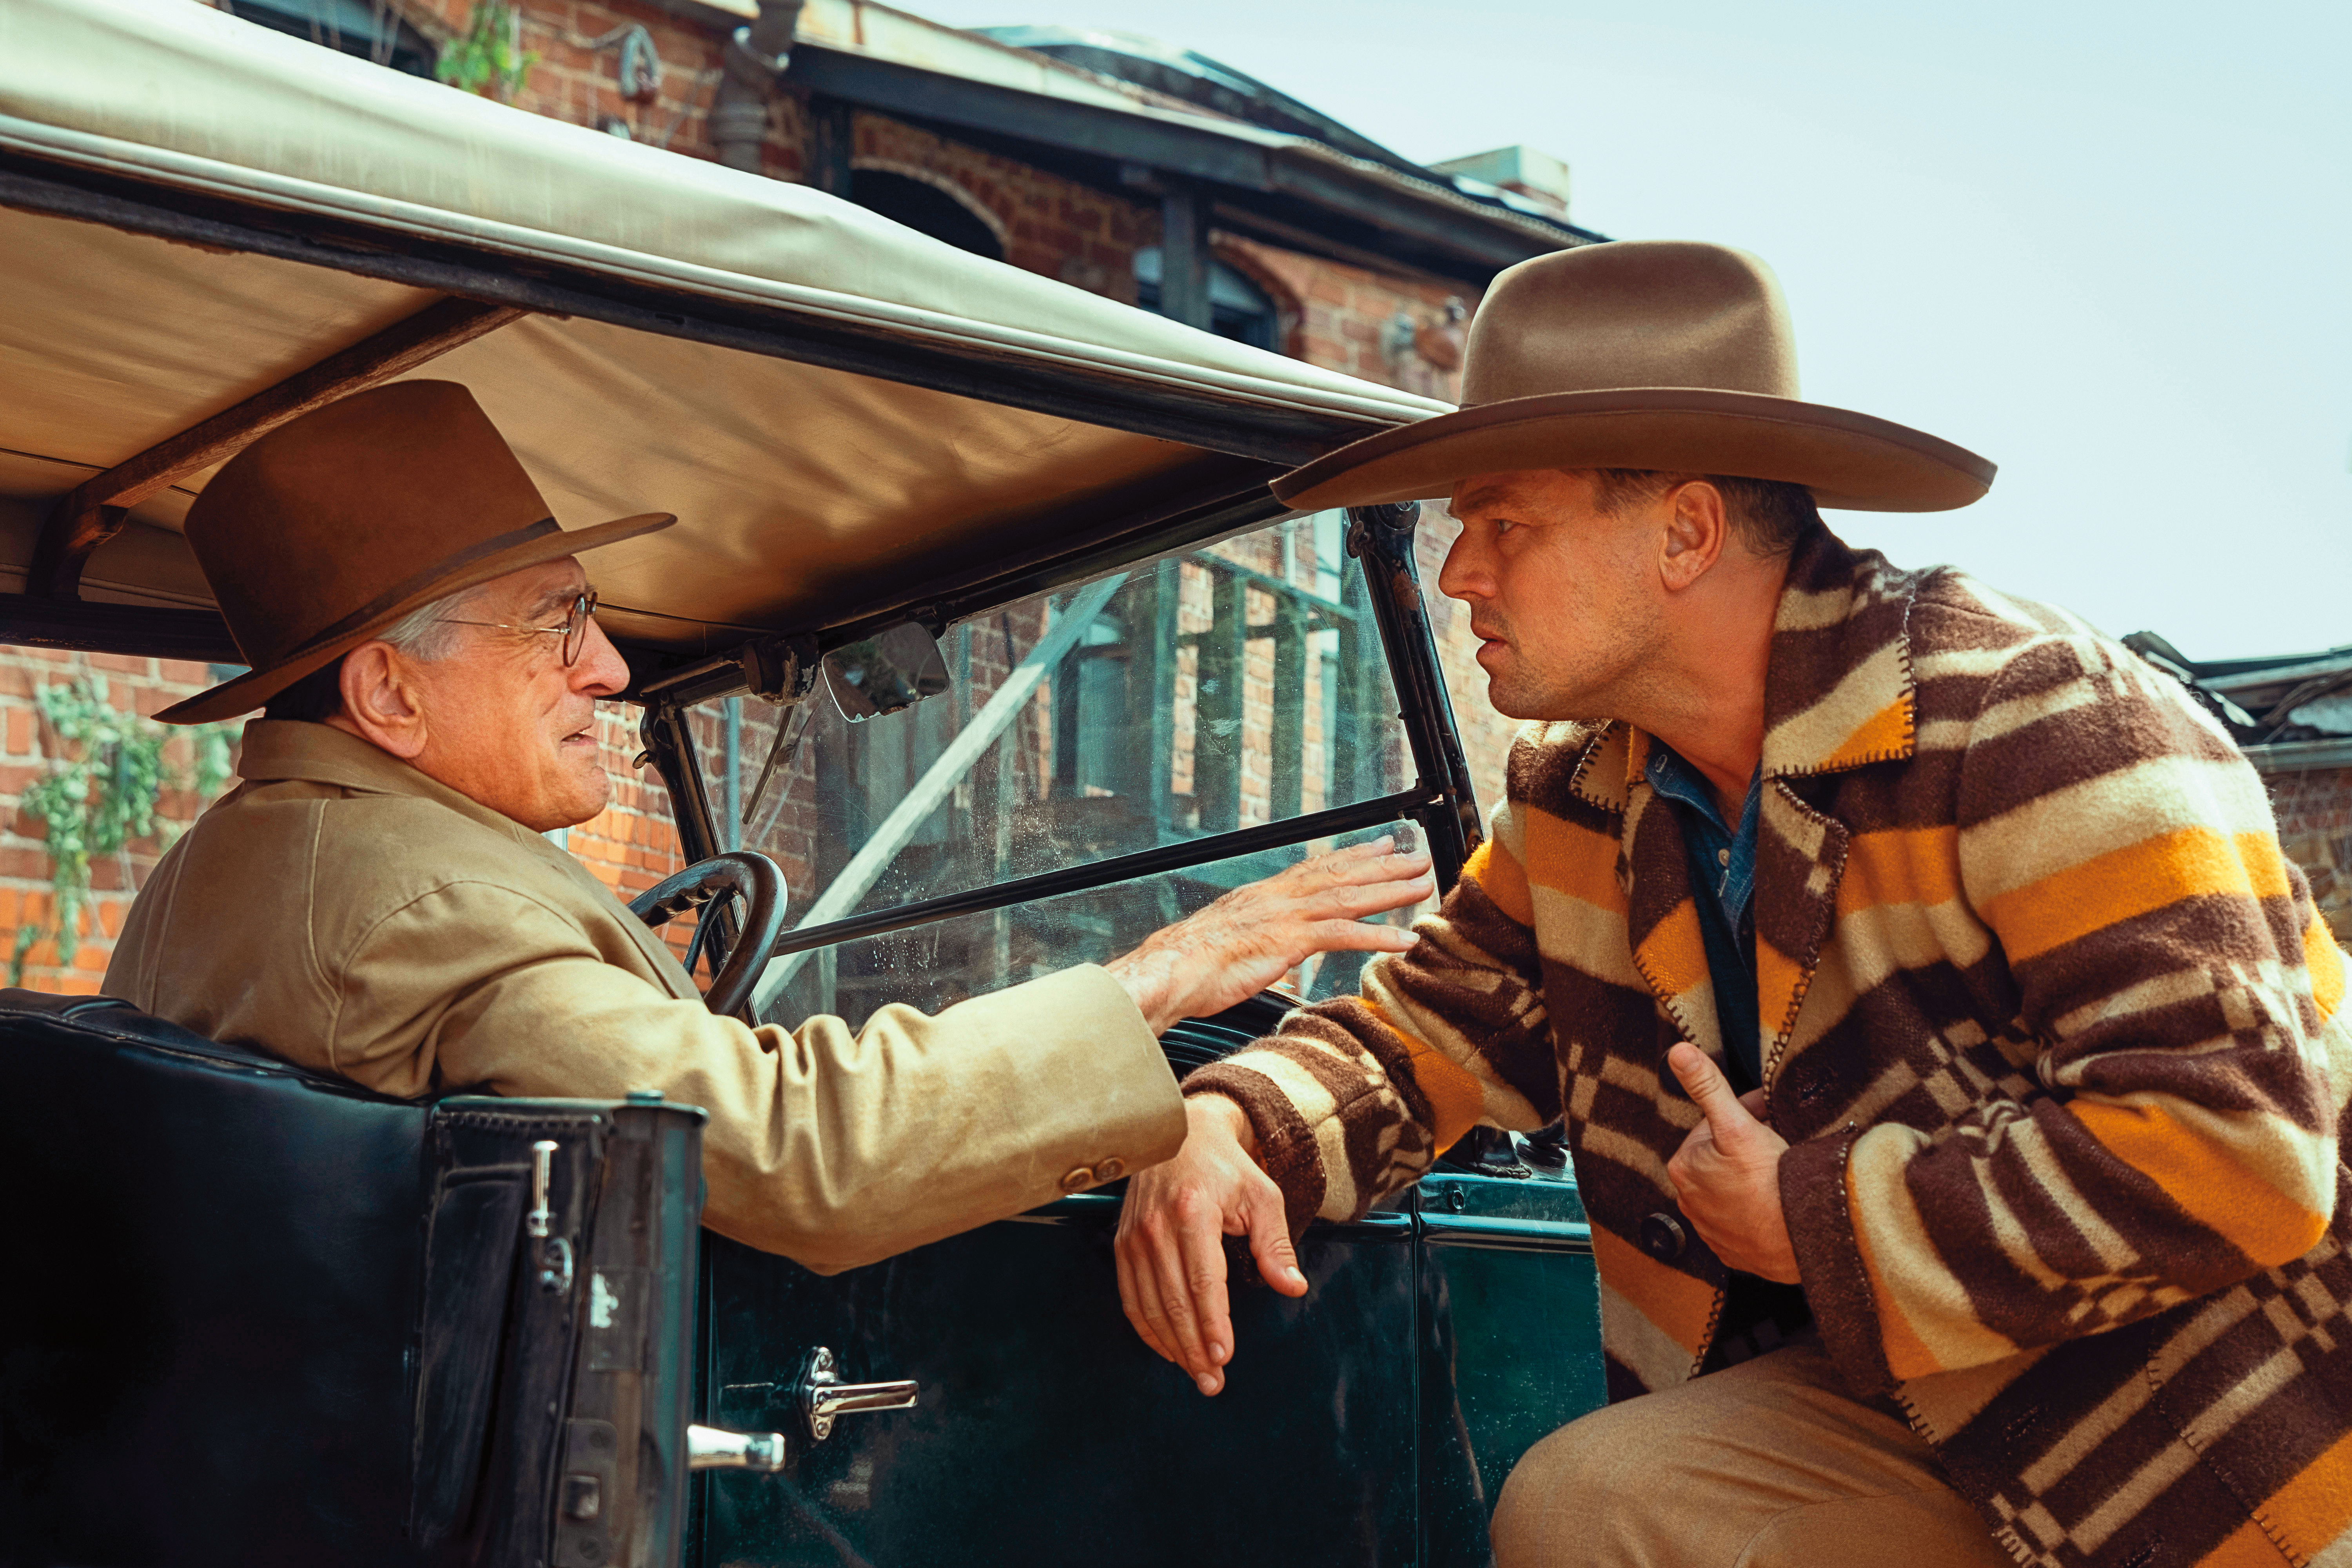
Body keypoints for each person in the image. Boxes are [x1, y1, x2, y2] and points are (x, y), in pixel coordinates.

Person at [1114, 240, 2352, 1567]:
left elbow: (2239, 1150)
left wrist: (1819, 1214)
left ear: (1686, 533)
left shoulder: (2036, 716)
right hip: (1908, 1403)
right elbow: (1426, 1036)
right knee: (1593, 1506)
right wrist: (1226, 1119)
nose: (1461, 569)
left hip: (2209, 1430)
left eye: (1504, 523)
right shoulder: (1584, 795)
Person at [103, 379, 1433, 1274]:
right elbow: (805, 1159)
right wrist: (1165, 976)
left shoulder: (230, 870)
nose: (612, 671)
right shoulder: (431, 907)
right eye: (558, 623)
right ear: (389, 692)